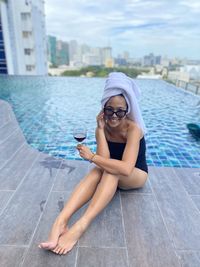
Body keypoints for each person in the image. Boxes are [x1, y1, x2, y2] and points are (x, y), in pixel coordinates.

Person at [38, 72, 148, 255]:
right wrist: (100, 130)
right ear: (103, 109)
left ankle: (80, 226)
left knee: (112, 170)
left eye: (120, 111)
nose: (114, 115)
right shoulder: (101, 128)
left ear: (127, 110)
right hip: (113, 172)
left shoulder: (133, 129)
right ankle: (60, 221)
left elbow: (127, 168)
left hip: (135, 175)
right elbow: (102, 162)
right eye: (109, 109)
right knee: (99, 171)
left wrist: (92, 157)